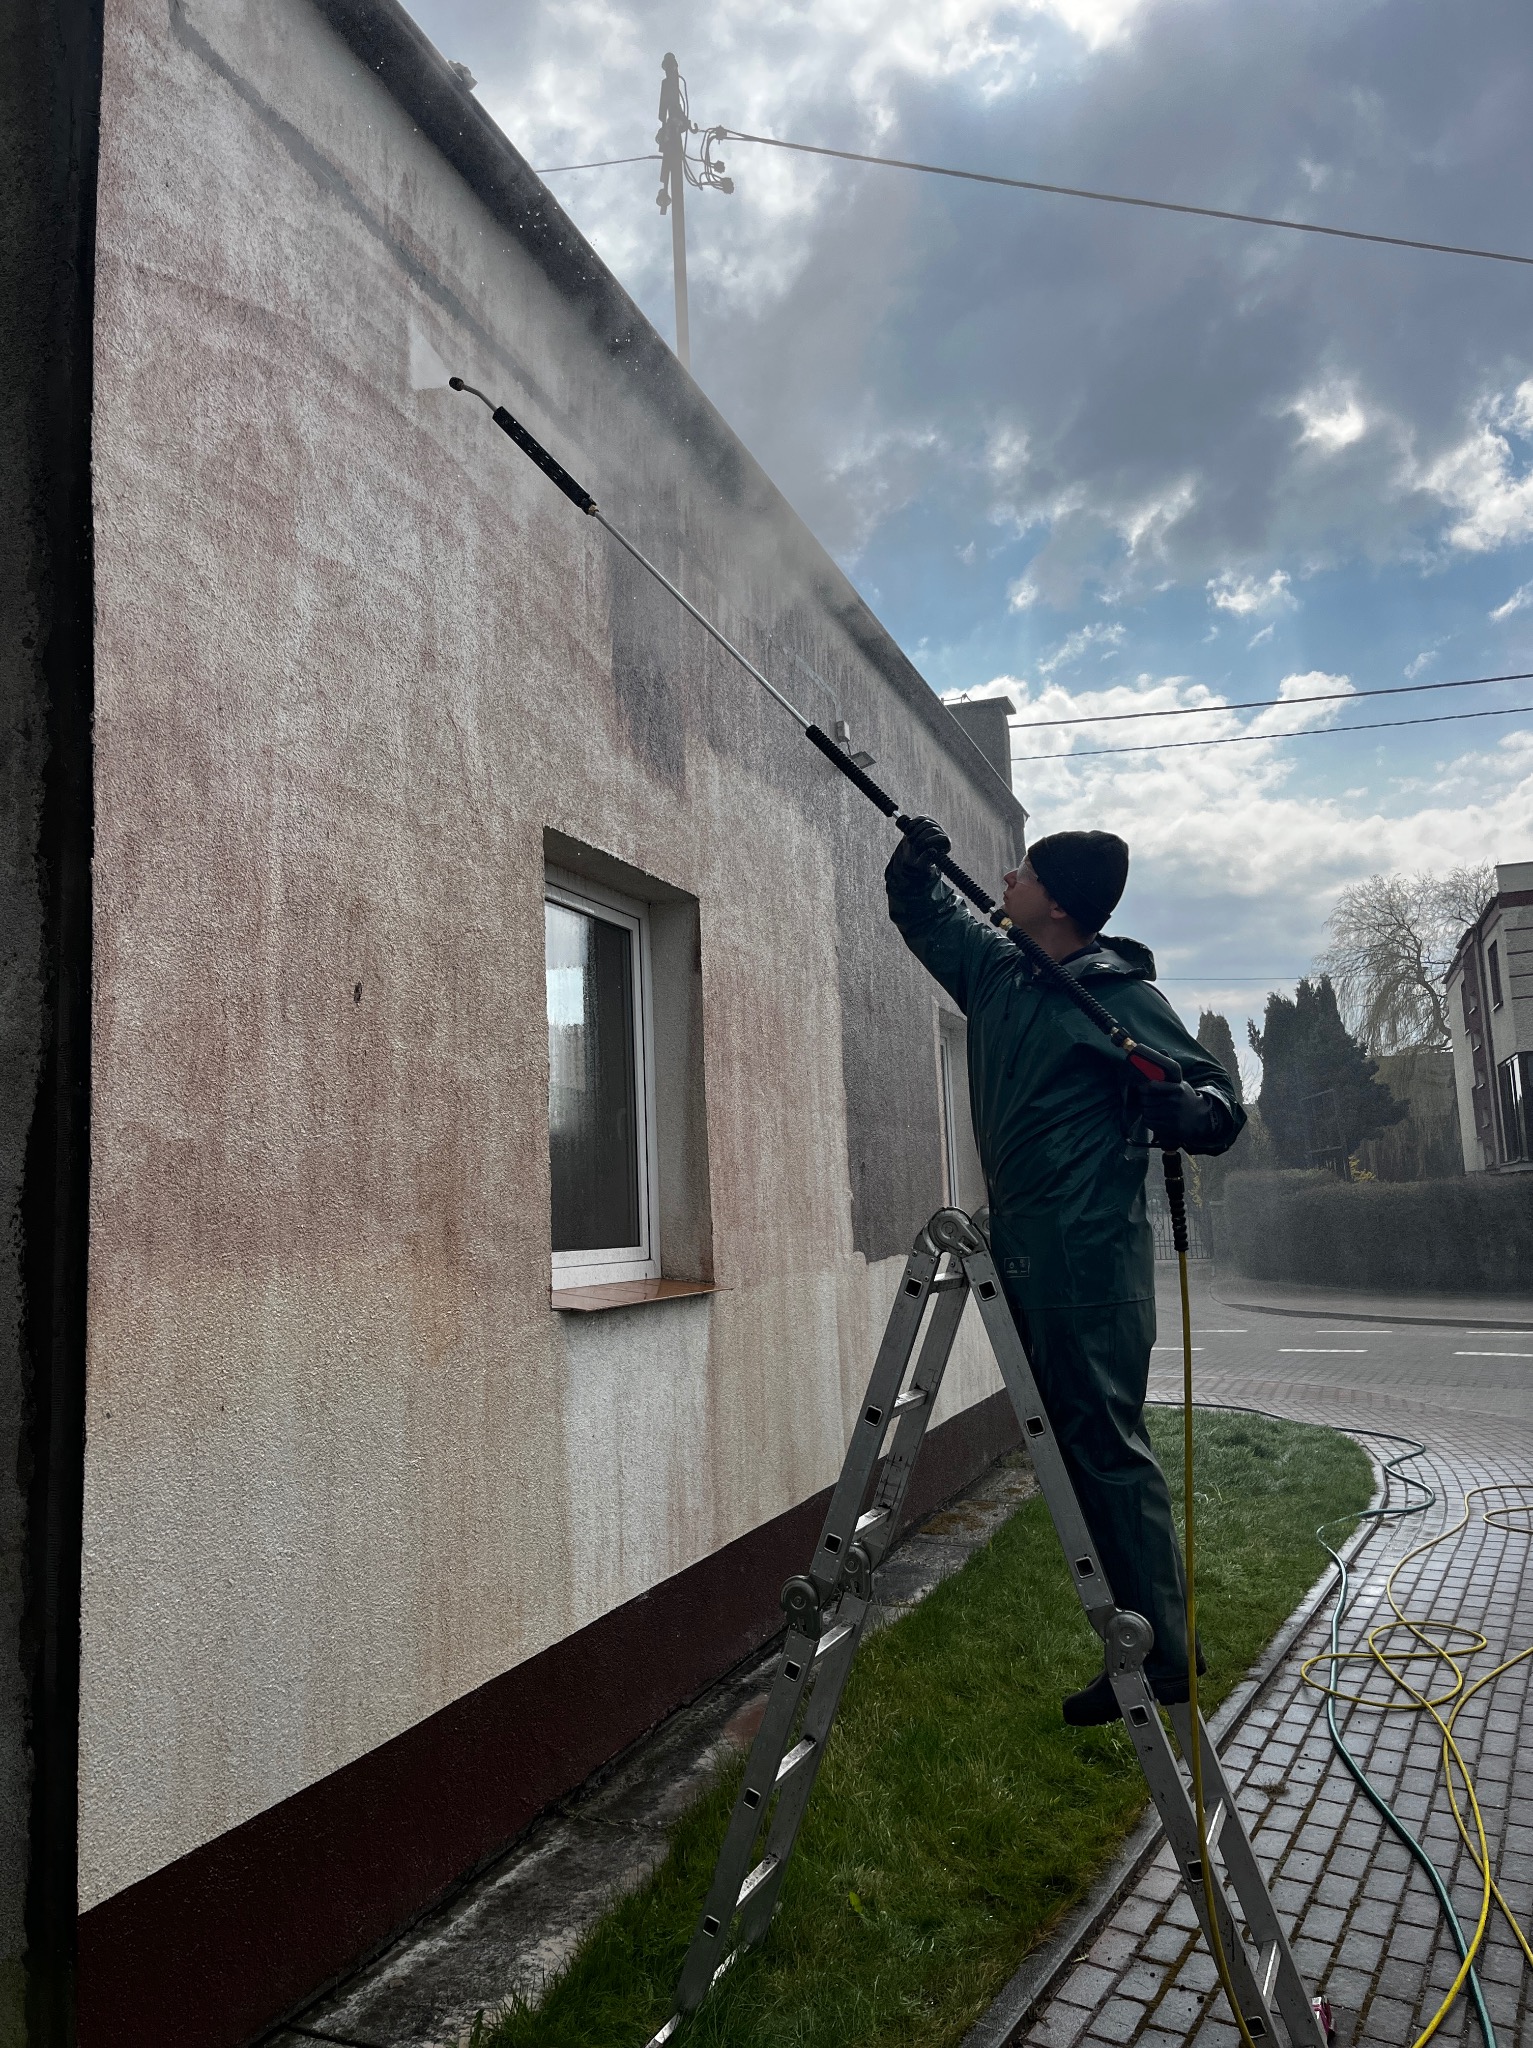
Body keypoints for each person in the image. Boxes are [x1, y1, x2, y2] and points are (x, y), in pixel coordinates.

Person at [886, 820, 1245, 1725]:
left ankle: (1162, 1654)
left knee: (1102, 1451)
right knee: (1075, 1451)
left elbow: (1213, 1101)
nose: (1003, 875)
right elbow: (925, 919)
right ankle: (1146, 1643)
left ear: (1054, 900)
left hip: (1089, 1259)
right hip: (1024, 1248)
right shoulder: (1002, 974)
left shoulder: (1116, 996)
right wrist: (914, 866)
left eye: (1023, 869)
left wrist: (1188, 1108)